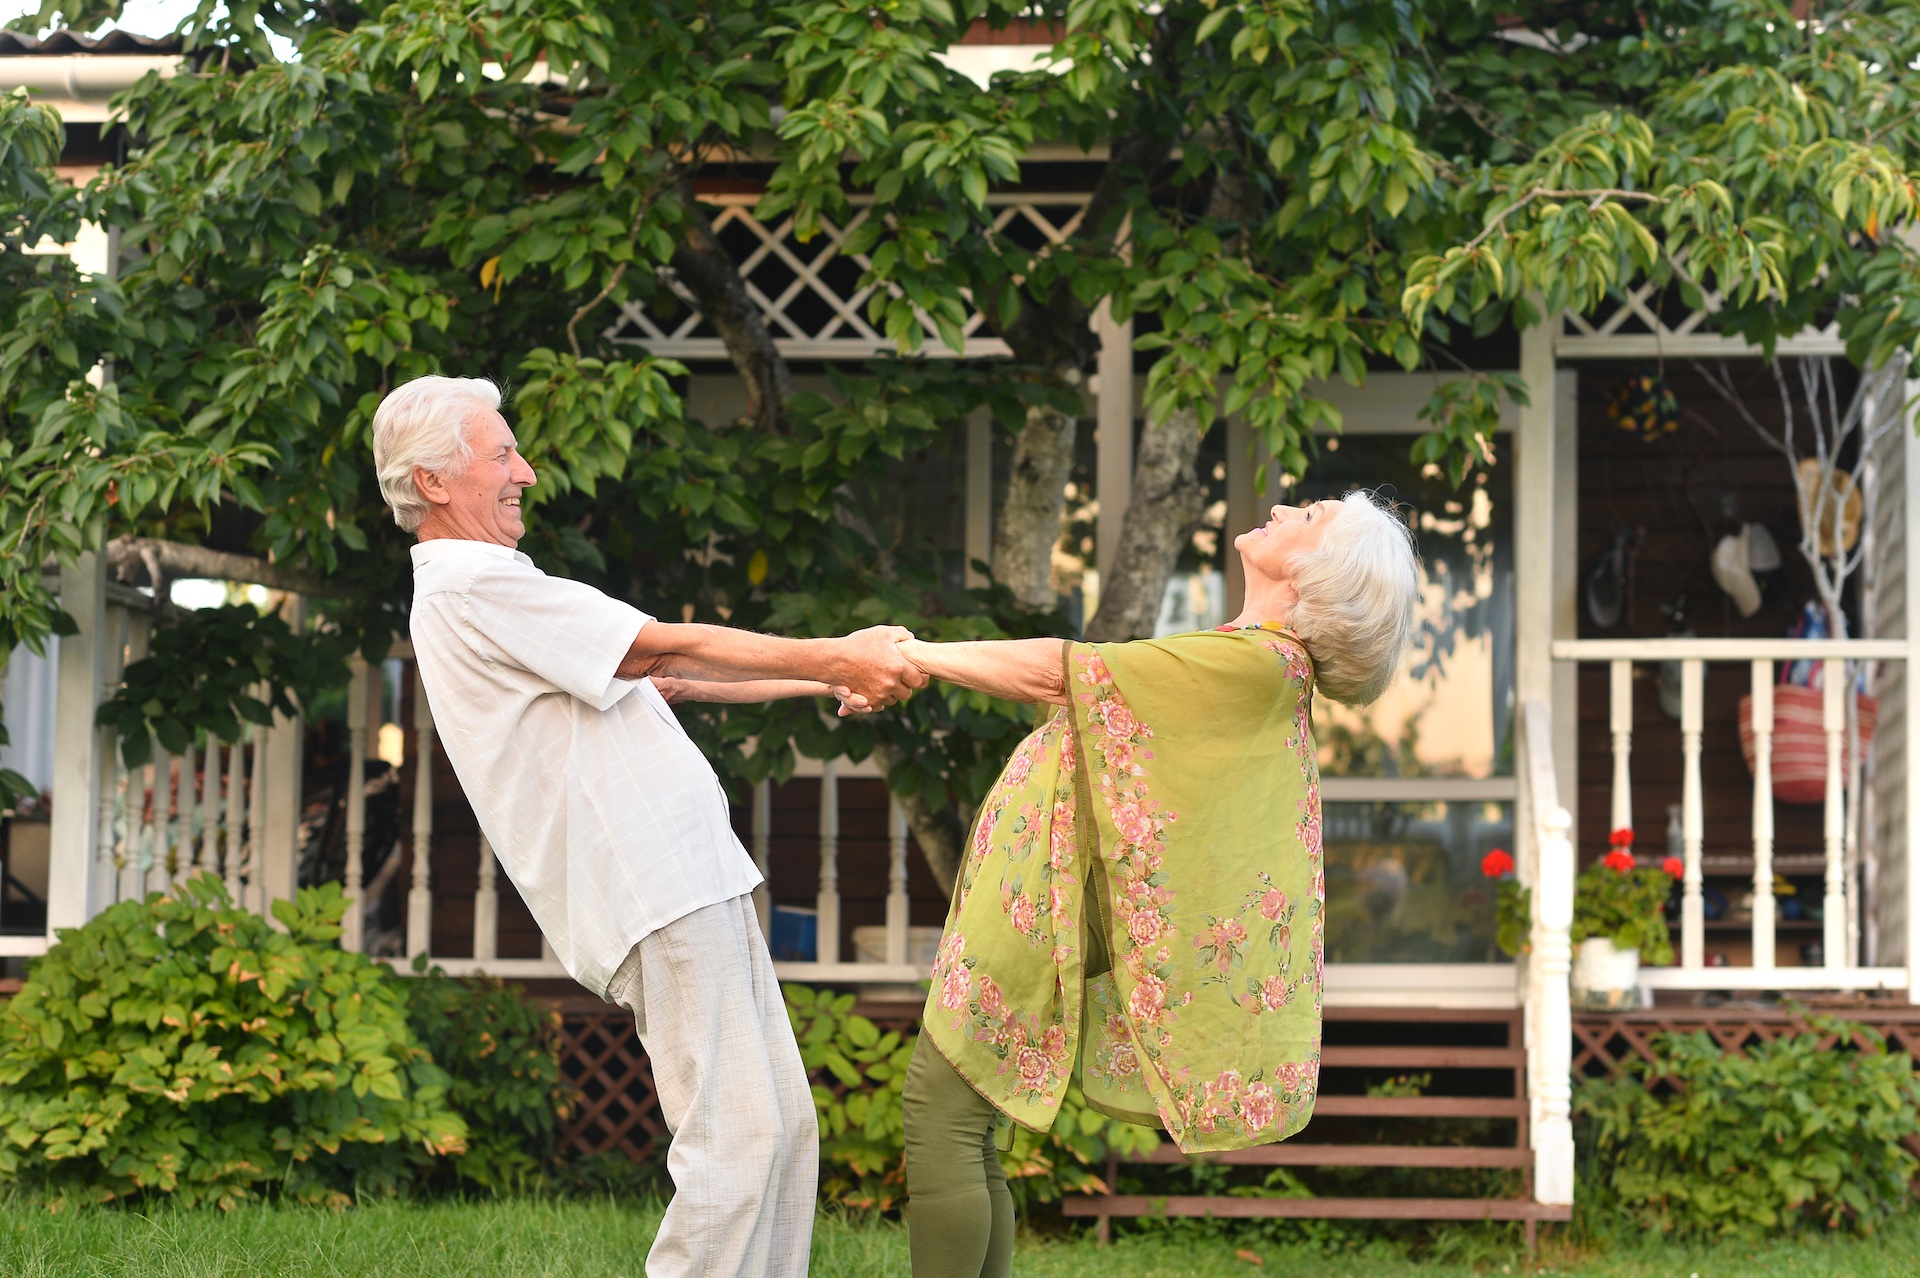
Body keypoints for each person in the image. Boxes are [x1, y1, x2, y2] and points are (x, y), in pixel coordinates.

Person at [371, 374, 925, 1277]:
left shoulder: (501, 585)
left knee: (782, 1126)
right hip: (650, 886)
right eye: (503, 452)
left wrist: (823, 681)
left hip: (691, 876)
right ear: (434, 481)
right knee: (738, 1139)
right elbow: (656, 645)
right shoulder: (470, 586)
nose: (528, 470)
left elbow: (657, 684)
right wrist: (836, 650)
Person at [894, 490, 1420, 1278]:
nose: (1280, 506)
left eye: (1307, 516)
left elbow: (1059, 671)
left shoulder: (1257, 663)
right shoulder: (1250, 658)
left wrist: (910, 656)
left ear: (1320, 569)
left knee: (941, 1117)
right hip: (1050, 895)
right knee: (967, 1125)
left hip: (1059, 904)